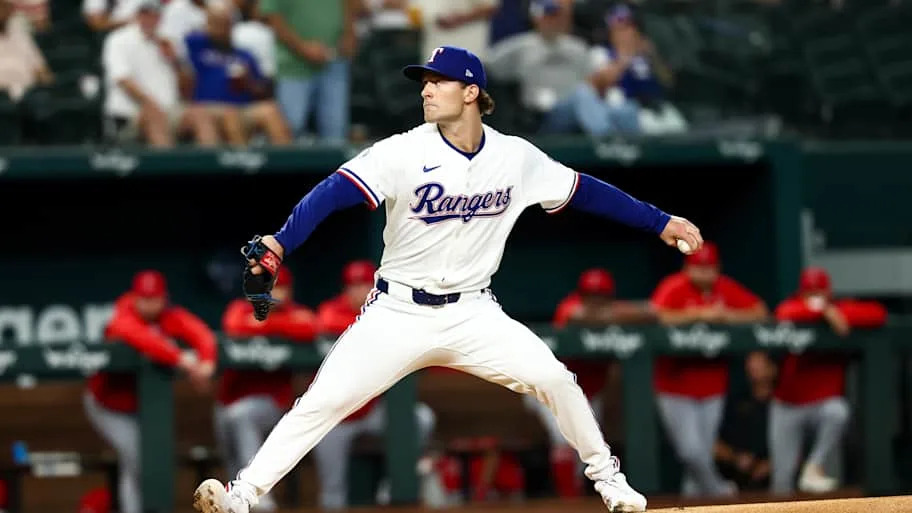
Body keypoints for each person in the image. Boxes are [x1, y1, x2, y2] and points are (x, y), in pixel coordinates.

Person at [193, 45, 705, 513]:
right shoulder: (402, 151)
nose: (426, 89)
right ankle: (241, 497)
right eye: (424, 81)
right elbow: (334, 190)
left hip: (473, 313)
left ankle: (610, 482)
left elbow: (587, 191)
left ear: (471, 92)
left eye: (438, 80)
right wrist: (282, 242)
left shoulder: (515, 157)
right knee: (321, 404)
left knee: (556, 380)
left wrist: (661, 221)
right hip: (397, 313)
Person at [85, 270, 217, 513]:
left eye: (154, 298)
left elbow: (201, 333)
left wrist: (206, 361)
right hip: (108, 405)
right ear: (135, 297)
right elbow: (142, 338)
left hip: (143, 408)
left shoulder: (169, 316)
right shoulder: (123, 314)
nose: (148, 304)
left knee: (141, 459)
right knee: (138, 456)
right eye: (143, 298)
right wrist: (182, 359)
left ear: (163, 297)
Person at [313, 260, 437, 510]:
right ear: (345, 289)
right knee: (332, 495)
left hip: (371, 412)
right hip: (334, 419)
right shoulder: (331, 310)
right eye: (353, 285)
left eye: (364, 285)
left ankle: (396, 481)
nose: (359, 291)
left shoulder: (387, 309)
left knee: (421, 418)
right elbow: (322, 324)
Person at [650, 241, 768, 498]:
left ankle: (693, 502)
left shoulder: (724, 288)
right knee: (690, 451)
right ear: (687, 268)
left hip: (713, 383)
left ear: (717, 268)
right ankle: (721, 491)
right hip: (674, 385)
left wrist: (727, 316)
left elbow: (760, 311)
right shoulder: (674, 286)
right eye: (698, 267)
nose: (704, 273)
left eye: (708, 267)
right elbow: (656, 316)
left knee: (701, 453)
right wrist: (698, 314)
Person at [533, 267, 655, 497]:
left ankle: (577, 496)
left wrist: (614, 314)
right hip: (549, 388)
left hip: (590, 391)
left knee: (586, 447)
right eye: (590, 295)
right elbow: (577, 315)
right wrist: (614, 316)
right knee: (564, 441)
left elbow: (652, 313)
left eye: (600, 295)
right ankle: (567, 499)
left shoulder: (616, 310)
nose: (594, 301)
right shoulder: (569, 307)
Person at [769, 267, 887, 495]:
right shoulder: (795, 308)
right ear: (801, 292)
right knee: (781, 481)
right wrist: (823, 311)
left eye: (819, 292)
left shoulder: (842, 310)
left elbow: (877, 313)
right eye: (809, 292)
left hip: (822, 405)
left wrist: (832, 312)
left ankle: (813, 465)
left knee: (838, 412)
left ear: (829, 291)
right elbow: (784, 312)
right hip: (788, 404)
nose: (814, 296)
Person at [217, 266, 318, 512]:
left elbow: (311, 327)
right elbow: (233, 326)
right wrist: (281, 324)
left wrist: (267, 323)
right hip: (229, 400)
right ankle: (237, 501)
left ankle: (257, 498)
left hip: (273, 404)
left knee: (242, 415)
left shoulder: (298, 313)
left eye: (280, 287)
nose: (274, 293)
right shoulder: (239, 309)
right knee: (230, 454)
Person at [713, 351, 776, 492]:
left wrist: (772, 464)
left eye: (760, 362)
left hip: (775, 479)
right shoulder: (735, 401)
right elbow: (713, 446)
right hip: (732, 482)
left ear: (773, 368)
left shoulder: (783, 406)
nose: (753, 366)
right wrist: (736, 458)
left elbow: (799, 452)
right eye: (751, 361)